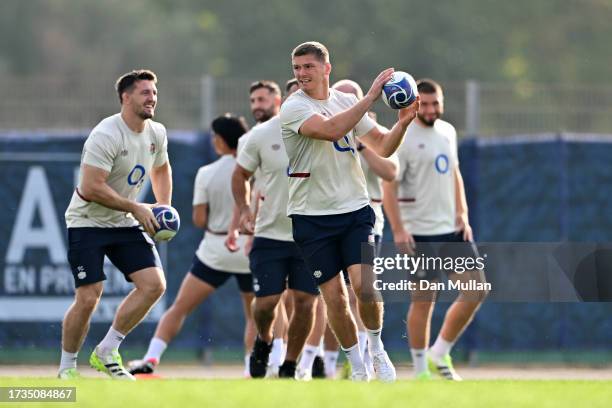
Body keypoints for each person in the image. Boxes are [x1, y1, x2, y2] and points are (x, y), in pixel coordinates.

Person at [279, 41, 419, 381]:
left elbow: (384, 147)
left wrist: (402, 123)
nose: (301, 74)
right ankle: (356, 365)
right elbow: (331, 130)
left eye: (308, 67)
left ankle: (377, 349)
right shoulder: (293, 107)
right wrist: (370, 98)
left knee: (365, 286)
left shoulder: (345, 102)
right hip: (310, 217)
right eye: (297, 68)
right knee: (335, 299)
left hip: (355, 211)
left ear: (327, 68)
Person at [59, 69, 172, 380]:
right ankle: (67, 368)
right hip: (87, 221)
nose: (152, 98)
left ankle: (107, 350)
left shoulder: (156, 132)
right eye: (145, 93)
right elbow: (91, 187)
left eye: (154, 92)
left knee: (154, 285)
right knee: (89, 296)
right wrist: (135, 207)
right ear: (126, 97)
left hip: (124, 221)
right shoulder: (106, 134)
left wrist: (162, 206)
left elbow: (162, 168)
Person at [128, 115, 256, 377]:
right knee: (254, 314)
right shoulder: (256, 169)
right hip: (249, 249)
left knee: (180, 307)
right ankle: (249, 368)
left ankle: (151, 359)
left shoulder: (207, 173)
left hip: (215, 249)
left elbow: (198, 219)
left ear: (220, 141)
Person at [382, 79, 488, 381]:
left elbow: (453, 171)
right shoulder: (402, 137)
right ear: (414, 103)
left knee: (476, 289)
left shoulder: (448, 131)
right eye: (424, 104)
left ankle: (438, 353)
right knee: (424, 299)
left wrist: (462, 213)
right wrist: (399, 229)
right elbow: (389, 185)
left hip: (451, 230)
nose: (430, 109)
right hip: (420, 232)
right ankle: (420, 371)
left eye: (435, 103)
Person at [233, 79, 319, 380]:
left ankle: (290, 364)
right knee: (267, 303)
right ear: (285, 101)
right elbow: (240, 175)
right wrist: (244, 211)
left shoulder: (322, 131)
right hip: (269, 234)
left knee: (305, 304)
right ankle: (264, 341)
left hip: (310, 237)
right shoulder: (260, 135)